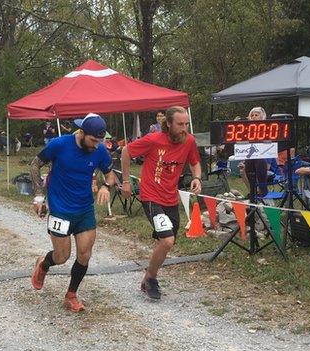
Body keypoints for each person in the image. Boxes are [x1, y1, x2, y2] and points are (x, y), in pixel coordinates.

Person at [29, 113, 116, 312]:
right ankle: (43, 264)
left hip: (84, 209)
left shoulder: (100, 150)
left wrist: (105, 187)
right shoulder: (59, 145)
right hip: (60, 209)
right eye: (93, 140)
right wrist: (38, 196)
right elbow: (35, 164)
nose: (96, 145)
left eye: (99, 141)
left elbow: (110, 174)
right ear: (82, 132)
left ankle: (71, 295)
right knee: (62, 257)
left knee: (84, 254)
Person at [120, 106, 202, 300]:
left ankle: (147, 276)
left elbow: (195, 162)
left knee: (168, 242)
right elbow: (125, 151)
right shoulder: (154, 139)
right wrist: (125, 182)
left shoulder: (189, 140)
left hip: (170, 198)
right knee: (167, 240)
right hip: (151, 196)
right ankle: (152, 280)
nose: (184, 128)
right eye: (180, 124)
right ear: (169, 124)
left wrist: (197, 177)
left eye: (186, 124)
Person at [239, 107, 271, 197]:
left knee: (259, 160)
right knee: (246, 165)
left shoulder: (267, 129)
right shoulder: (247, 131)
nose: (253, 117)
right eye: (252, 115)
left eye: (256, 115)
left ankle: (262, 190)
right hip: (251, 160)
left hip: (265, 160)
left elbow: (269, 147)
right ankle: (253, 191)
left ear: (262, 117)